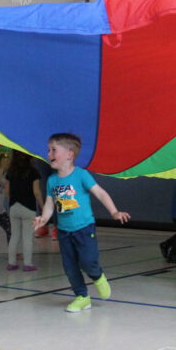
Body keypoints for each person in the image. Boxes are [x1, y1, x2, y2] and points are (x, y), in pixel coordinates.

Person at [32, 133, 130, 313]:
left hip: (84, 228)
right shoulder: (52, 180)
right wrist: (43, 219)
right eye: (48, 150)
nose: (49, 154)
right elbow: (49, 204)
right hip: (64, 231)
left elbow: (100, 193)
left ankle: (97, 275)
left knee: (88, 261)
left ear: (69, 154)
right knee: (70, 267)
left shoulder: (81, 175)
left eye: (53, 150)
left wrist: (114, 211)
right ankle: (82, 297)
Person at [5, 150, 44, 271]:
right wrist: (42, 206)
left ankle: (11, 263)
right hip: (28, 208)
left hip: (13, 207)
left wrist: (14, 198)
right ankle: (28, 264)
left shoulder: (10, 172)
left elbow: (7, 191)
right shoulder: (34, 172)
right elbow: (36, 192)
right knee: (27, 237)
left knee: (14, 236)